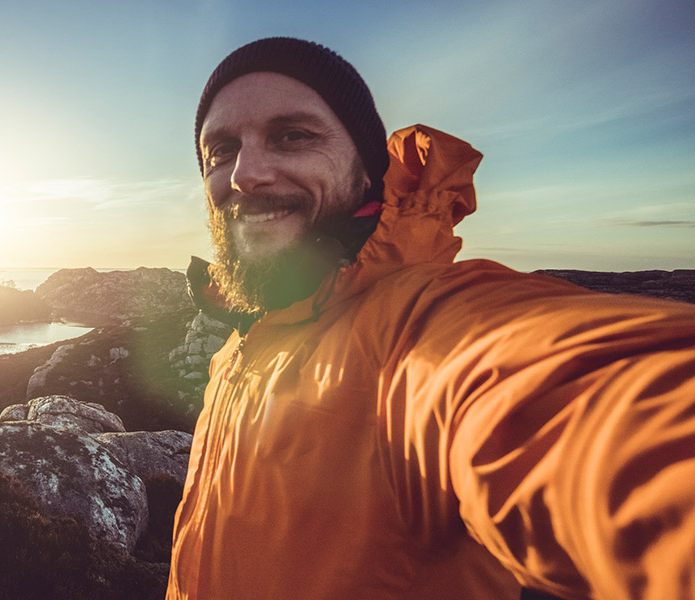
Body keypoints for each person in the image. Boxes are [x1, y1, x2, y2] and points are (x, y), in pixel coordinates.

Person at [168, 36, 695, 600]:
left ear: (368, 172)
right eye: (221, 150)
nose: (246, 174)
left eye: (292, 136)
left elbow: (570, 398)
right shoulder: (242, 343)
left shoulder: (420, 327)